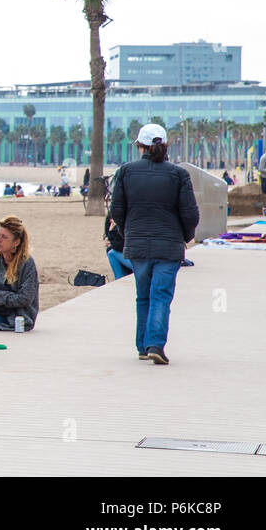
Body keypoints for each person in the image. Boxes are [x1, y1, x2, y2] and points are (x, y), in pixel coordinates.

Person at [111, 124, 199, 365]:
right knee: (160, 295)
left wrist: (127, 230)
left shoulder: (126, 172)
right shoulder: (178, 174)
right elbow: (190, 214)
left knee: (143, 295)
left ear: (140, 146)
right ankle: (155, 345)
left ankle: (142, 346)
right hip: (169, 245)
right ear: (166, 145)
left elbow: (116, 210)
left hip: (138, 244)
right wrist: (185, 236)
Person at [104, 214, 131, 280]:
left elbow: (119, 246)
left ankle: (119, 278)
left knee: (111, 252)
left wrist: (111, 232)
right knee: (110, 249)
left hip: (137, 261)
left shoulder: (124, 225)